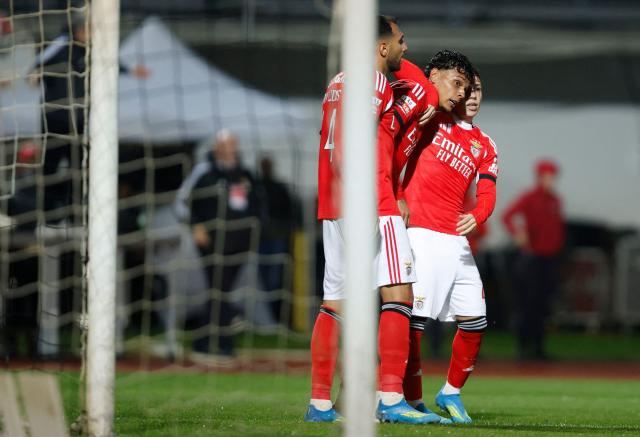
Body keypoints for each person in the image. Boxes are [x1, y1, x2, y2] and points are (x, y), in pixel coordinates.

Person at [305, 15, 444, 425]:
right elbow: (348, 146)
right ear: (382, 47)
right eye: (401, 40)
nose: (405, 47)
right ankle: (391, 398)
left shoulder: (337, 80)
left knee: (335, 303)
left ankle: (319, 404)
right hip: (368, 202)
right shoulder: (375, 81)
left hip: (331, 207)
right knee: (399, 294)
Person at [388, 55, 499, 423]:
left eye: (476, 89)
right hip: (422, 231)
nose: (470, 94)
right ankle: (411, 399)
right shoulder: (433, 117)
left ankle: (450, 392)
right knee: (415, 320)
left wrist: (478, 215)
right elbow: (396, 149)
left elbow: (486, 194)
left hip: (456, 241)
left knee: (475, 319)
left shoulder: (486, 144)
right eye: (464, 87)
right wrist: (398, 193)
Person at [27, 12, 148, 216]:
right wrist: (35, 74)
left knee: (80, 166)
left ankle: (77, 212)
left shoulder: (93, 51)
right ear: (77, 29)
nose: (89, 33)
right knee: (51, 166)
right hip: (55, 119)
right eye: (86, 29)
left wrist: (131, 70)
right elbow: (37, 66)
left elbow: (112, 63)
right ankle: (46, 212)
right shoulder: (61, 45)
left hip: (80, 120)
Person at [187, 129, 263, 362]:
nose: (230, 149)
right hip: (212, 244)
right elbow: (189, 204)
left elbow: (259, 207)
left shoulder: (246, 176)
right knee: (219, 288)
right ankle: (223, 339)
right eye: (225, 145)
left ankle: (207, 340)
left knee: (220, 291)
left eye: (233, 145)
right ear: (217, 149)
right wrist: (196, 226)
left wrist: (255, 232)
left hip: (239, 243)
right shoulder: (205, 175)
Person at [502, 159, 565, 360]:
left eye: (552, 177)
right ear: (539, 177)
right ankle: (523, 348)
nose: (550, 180)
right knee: (527, 304)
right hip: (532, 259)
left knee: (544, 306)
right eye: (546, 176)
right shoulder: (529, 198)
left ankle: (539, 348)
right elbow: (507, 216)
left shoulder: (555, 201)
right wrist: (518, 234)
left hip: (550, 260)